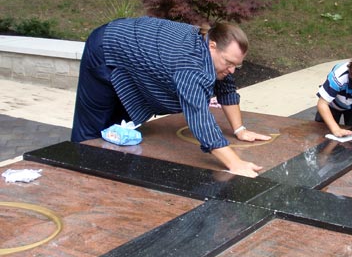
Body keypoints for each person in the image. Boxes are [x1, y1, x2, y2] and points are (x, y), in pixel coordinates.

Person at [71, 16, 271, 178]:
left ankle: (108, 178)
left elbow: (226, 87)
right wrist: (235, 163)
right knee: (93, 126)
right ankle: (77, 175)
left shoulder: (212, 52)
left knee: (120, 126)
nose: (232, 70)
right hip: (106, 47)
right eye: (229, 62)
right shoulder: (190, 64)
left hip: (133, 53)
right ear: (212, 45)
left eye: (237, 65)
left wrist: (240, 129)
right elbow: (198, 117)